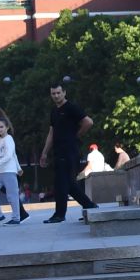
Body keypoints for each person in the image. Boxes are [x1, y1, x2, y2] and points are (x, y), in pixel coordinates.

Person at [39, 82, 99, 223]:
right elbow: (51, 133)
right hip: (58, 151)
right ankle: (89, 205)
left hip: (70, 151)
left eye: (58, 93)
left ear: (64, 92)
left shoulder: (71, 108)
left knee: (60, 183)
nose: (56, 95)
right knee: (69, 184)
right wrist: (44, 152)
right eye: (53, 93)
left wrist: (77, 135)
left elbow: (88, 122)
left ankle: (59, 215)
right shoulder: (54, 111)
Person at [0, 115, 28, 225]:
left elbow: (9, 156)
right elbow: (14, 155)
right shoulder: (2, 140)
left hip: (8, 172)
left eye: (1, 127)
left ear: (7, 128)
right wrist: (19, 167)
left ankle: (16, 218)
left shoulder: (9, 139)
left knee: (12, 196)